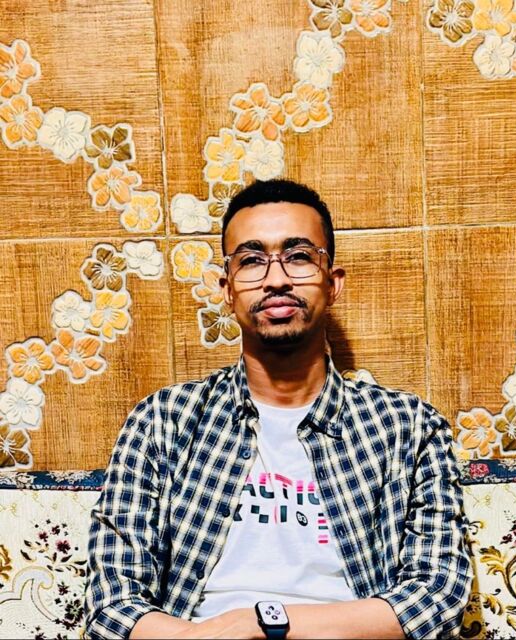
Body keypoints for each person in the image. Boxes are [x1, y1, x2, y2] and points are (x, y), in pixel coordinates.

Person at [85, 179, 472, 639]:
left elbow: (437, 597)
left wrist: (260, 622)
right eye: (251, 261)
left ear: (332, 283)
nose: (276, 279)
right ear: (228, 289)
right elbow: (112, 606)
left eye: (299, 256)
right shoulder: (163, 422)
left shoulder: (408, 428)